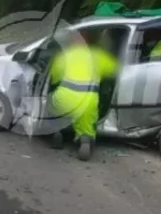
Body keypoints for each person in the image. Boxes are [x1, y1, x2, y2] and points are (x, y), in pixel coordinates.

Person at [47, 29, 120, 160]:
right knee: (86, 122)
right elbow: (115, 72)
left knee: (53, 106)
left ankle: (57, 132)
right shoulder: (99, 56)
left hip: (65, 95)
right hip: (87, 99)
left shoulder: (65, 56)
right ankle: (85, 140)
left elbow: (55, 78)